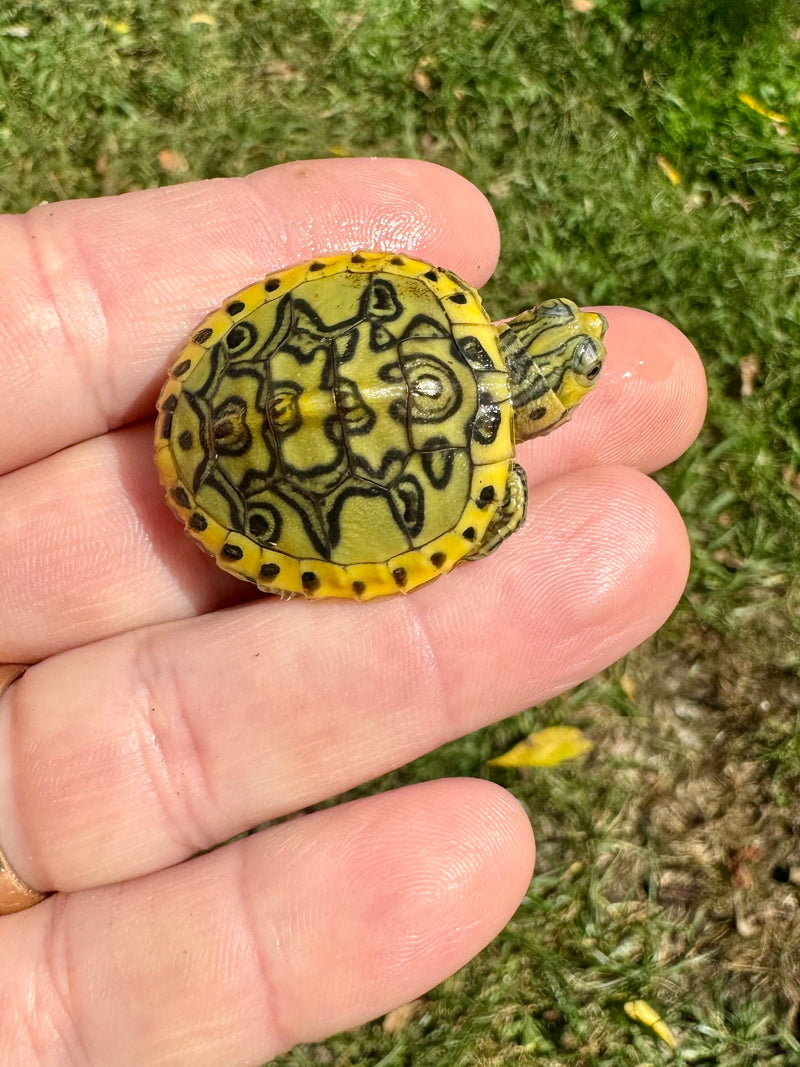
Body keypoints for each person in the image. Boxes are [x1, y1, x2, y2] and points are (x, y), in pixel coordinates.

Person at [0, 157, 706, 1064]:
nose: (574, 334)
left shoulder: (436, 296)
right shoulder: (487, 486)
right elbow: (473, 526)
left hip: (225, 392)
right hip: (248, 459)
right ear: (549, 412)